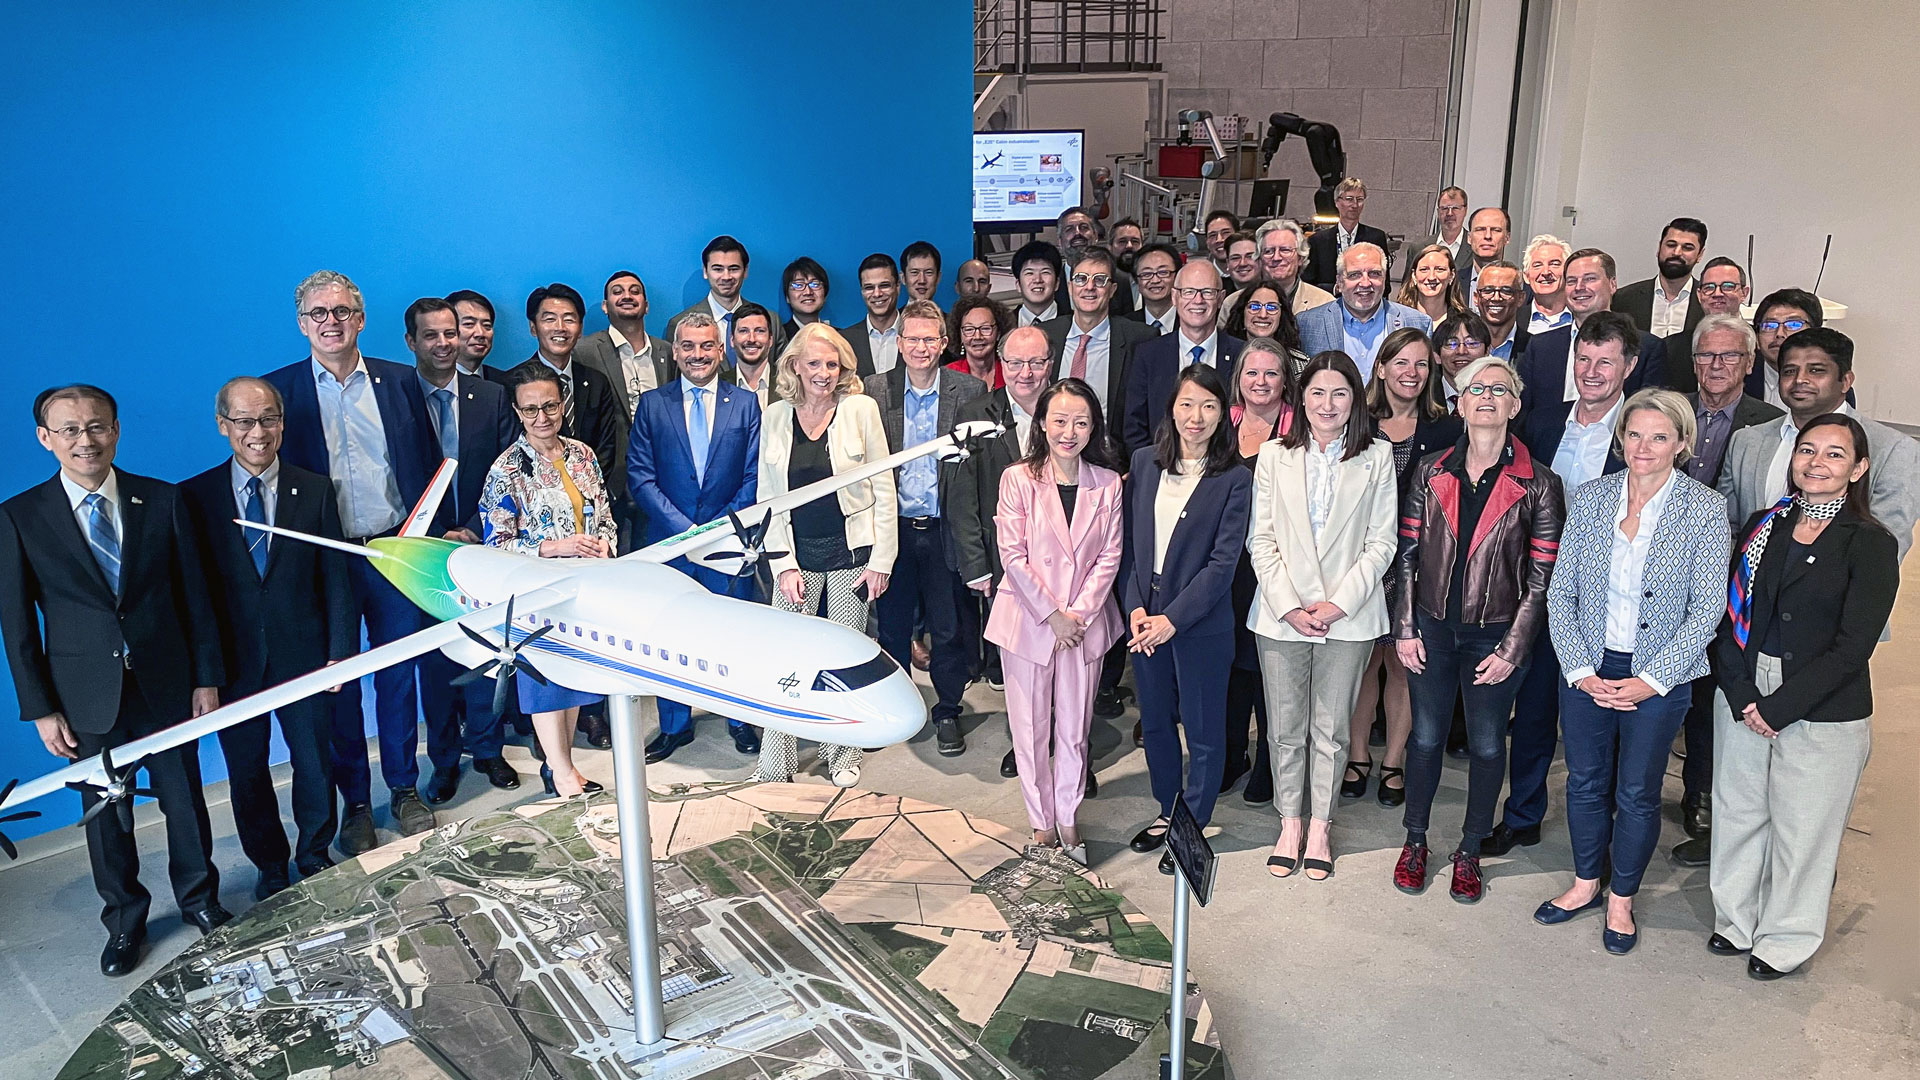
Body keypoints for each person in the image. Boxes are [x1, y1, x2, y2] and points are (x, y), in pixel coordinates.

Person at [0, 385, 230, 976]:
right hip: (84, 697)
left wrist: (206, 677)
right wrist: (40, 708)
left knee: (185, 800)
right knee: (106, 817)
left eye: (97, 426)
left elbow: (196, 596)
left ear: (116, 429)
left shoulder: (163, 499)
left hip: (167, 684)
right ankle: (126, 922)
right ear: (45, 439)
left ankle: (200, 901)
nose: (86, 440)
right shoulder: (20, 516)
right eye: (70, 430)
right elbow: (17, 623)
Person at [1535, 389, 1729, 955]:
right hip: (1589, 668)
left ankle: (1621, 898)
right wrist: (1579, 669)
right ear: (1621, 438)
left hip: (1660, 676)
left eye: (1659, 437)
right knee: (1584, 782)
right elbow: (1562, 593)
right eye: (1635, 434)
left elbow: (1707, 609)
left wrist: (1652, 681)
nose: (1644, 447)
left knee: (1639, 792)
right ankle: (1584, 883)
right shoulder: (1593, 498)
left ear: (1682, 443)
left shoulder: (1704, 508)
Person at [1710, 413, 1897, 980]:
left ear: (1858, 469)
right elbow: (1729, 614)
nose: (1816, 463)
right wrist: (1742, 690)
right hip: (1746, 688)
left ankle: (1785, 938)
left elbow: (1853, 647)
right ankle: (1735, 920)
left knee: (1802, 828)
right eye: (1807, 450)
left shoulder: (1870, 543)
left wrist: (1778, 709)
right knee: (1739, 812)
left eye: (1835, 454)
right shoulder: (1764, 526)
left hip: (1821, 703)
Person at [264, 270, 443, 851]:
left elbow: (426, 461)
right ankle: (357, 803)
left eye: (341, 311)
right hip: (326, 561)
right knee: (338, 682)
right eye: (318, 313)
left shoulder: (400, 381)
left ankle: (404, 789)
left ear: (360, 320)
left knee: (398, 676)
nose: (331, 322)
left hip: (393, 552)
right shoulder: (280, 393)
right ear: (302, 324)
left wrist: (426, 537)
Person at [1391, 356, 1564, 902]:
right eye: (1475, 389)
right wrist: (1405, 627)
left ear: (1515, 405)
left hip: (1496, 636)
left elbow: (1542, 578)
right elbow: (1407, 554)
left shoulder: (1541, 483)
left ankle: (1469, 849)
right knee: (1425, 737)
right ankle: (1415, 841)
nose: (1487, 396)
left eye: (1499, 389)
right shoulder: (1430, 470)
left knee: (1488, 745)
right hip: (1431, 628)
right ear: (1460, 404)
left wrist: (1514, 648)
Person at [182, 377, 357, 899]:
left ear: (282, 423)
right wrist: (205, 676)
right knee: (247, 770)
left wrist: (341, 654)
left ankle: (314, 852)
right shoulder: (194, 497)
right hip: (232, 665)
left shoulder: (315, 488)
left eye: (269, 419)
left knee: (314, 760)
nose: (257, 432)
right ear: (223, 426)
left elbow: (336, 577)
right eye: (244, 421)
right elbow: (193, 594)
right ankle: (271, 865)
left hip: (305, 655)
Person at [1247, 352, 1399, 880]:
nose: (1327, 404)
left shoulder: (1377, 456)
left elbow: (1382, 543)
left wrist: (1338, 604)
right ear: (1301, 397)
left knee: (1332, 731)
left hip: (1348, 616)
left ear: (1355, 399)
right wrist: (1290, 606)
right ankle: (1289, 822)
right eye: (1317, 392)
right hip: (1280, 615)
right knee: (1285, 727)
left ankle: (1320, 826)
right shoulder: (1274, 456)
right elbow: (1261, 540)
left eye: (1339, 393)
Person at [1493, 312, 1639, 857]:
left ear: (1629, 366)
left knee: (1599, 720)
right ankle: (1523, 814)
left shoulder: (1638, 432)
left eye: (1606, 361)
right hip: (1537, 591)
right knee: (1532, 713)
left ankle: (1603, 832)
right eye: (1584, 359)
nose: (1592, 371)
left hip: (1605, 598)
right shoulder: (1542, 422)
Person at [986, 377, 1125, 866]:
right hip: (1029, 622)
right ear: (1042, 423)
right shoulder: (1017, 478)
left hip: (1083, 626)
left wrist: (1077, 616)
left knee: (1074, 730)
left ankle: (1068, 817)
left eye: (1081, 422)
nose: (1069, 432)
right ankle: (1041, 825)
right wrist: (1052, 615)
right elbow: (1012, 554)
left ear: (1093, 428)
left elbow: (1110, 556)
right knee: (1029, 730)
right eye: (1060, 420)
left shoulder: (1107, 483)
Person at [1666, 313, 1787, 868]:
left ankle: (1700, 794)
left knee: (1711, 689)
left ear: (1749, 362)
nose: (1716, 365)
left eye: (1729, 356)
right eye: (1706, 355)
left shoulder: (1771, 425)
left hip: (1732, 577)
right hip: (1661, 570)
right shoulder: (1671, 411)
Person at [1123, 365, 1251, 874]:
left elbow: (1223, 565)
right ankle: (1166, 808)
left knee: (1202, 729)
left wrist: (1171, 620)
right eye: (1187, 404)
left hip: (1199, 621)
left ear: (1223, 415)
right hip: (1145, 614)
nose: (1196, 417)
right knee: (1155, 721)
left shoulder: (1234, 478)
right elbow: (1130, 548)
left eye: (1209, 406)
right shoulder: (1144, 463)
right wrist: (1136, 608)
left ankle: (1192, 824)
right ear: (1171, 409)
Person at [755, 324, 896, 787]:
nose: (823, 372)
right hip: (796, 556)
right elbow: (767, 496)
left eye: (832, 364)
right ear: (795, 365)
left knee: (843, 659)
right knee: (785, 660)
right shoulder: (776, 415)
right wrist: (782, 564)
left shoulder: (860, 408)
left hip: (852, 554)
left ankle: (842, 754)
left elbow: (883, 487)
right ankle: (776, 763)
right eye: (814, 363)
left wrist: (881, 561)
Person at [628, 312, 764, 761]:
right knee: (670, 638)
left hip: (729, 545)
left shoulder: (745, 404)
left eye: (707, 345)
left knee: (734, 634)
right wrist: (687, 532)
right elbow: (640, 478)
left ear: (721, 350)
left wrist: (717, 529)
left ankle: (739, 719)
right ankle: (674, 726)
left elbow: (753, 476)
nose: (698, 355)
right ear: (675, 351)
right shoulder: (653, 404)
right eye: (688, 346)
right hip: (670, 546)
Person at [479, 365, 619, 796]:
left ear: (563, 405)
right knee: (543, 683)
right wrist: (553, 548)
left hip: (583, 588)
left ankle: (563, 766)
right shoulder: (506, 468)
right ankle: (560, 773)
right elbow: (495, 544)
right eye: (531, 409)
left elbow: (606, 516)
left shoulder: (583, 455)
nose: (542, 417)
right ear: (517, 412)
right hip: (535, 594)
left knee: (572, 679)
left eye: (550, 406)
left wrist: (605, 544)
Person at [405, 297, 522, 800]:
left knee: (486, 651)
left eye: (450, 333)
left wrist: (474, 527)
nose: (443, 343)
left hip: (482, 546)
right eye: (431, 335)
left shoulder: (491, 396)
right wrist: (434, 534)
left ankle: (489, 749)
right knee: (435, 664)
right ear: (411, 342)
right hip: (423, 550)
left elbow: (508, 469)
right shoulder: (397, 398)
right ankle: (445, 761)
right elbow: (392, 474)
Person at [866, 300, 988, 755]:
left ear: (944, 343)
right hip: (892, 529)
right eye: (912, 339)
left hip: (944, 528)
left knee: (949, 626)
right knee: (892, 627)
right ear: (898, 344)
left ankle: (948, 710)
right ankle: (896, 710)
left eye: (929, 339)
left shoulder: (969, 390)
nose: (921, 347)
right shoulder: (874, 390)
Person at [1345, 329, 1461, 807]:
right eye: (1400, 362)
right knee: (1361, 663)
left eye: (1420, 364)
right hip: (1358, 560)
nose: (1410, 373)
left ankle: (1393, 761)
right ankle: (1357, 756)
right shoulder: (1356, 421)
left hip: (1416, 564)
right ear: (1380, 367)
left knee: (1401, 664)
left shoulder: (1446, 429)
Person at [1719, 328, 1920, 563]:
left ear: (1846, 381)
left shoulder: (1892, 449)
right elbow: (1725, 529)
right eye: (1789, 371)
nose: (1800, 380)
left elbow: (1884, 549)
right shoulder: (1746, 441)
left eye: (1816, 370)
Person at [952, 326, 1056, 774]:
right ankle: (1027, 746)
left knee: (1065, 662)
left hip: (1063, 562)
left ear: (1050, 364)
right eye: (1015, 363)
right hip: (1004, 563)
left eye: (1035, 363)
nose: (1025, 373)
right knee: (1019, 663)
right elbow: (961, 495)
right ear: (1001, 364)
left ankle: (1070, 747)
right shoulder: (974, 414)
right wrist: (975, 564)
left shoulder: (1068, 407)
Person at [1223, 339, 1295, 805]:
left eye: (1272, 373)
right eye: (1252, 372)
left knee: (1269, 669)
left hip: (1274, 564)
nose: (1261, 381)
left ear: (1285, 381)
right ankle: (1233, 755)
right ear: (1239, 379)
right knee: (1230, 666)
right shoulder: (1221, 423)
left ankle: (1270, 762)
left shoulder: (1299, 428)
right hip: (1225, 565)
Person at [509, 283, 625, 510]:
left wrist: (584, 493)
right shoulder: (512, 385)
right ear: (533, 328)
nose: (560, 328)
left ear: (580, 330)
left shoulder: (597, 381)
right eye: (549, 319)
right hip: (535, 506)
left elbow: (606, 448)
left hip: (591, 503)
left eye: (569, 319)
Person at [1517, 248, 1665, 411]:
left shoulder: (1647, 348)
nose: (1579, 287)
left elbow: (1650, 412)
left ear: (1612, 284)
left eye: (1589, 279)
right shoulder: (1540, 346)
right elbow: (1523, 411)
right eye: (1571, 281)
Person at [1124, 260, 1245, 455]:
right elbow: (1134, 426)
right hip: (1162, 465)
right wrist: (1157, 466)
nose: (1198, 300)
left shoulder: (1242, 354)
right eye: (1189, 292)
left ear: (1221, 298)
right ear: (1174, 297)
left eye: (1207, 292)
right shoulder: (1148, 354)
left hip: (1227, 464)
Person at [1041, 246, 1156, 442]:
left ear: (1112, 290)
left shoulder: (1140, 339)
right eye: (1081, 279)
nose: (1089, 287)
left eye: (1100, 280)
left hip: (1113, 454)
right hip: (1053, 452)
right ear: (1070, 287)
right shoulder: (1046, 335)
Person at [576, 271, 675, 464]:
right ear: (605, 306)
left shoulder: (667, 351)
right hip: (611, 467)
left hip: (662, 461)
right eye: (617, 292)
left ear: (646, 306)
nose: (627, 296)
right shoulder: (584, 352)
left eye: (635, 291)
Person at [1296, 243, 1433, 377]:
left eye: (1374, 273)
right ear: (1339, 282)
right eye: (1355, 275)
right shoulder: (1306, 324)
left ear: (1385, 278)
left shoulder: (1417, 324)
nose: (1365, 283)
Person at [1657, 258, 1748, 392]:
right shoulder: (1670, 348)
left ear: (1744, 293)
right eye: (1709, 287)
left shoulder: (1759, 344)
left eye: (1728, 286)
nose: (1717, 294)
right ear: (1699, 295)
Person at [1613, 217, 1708, 339]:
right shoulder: (1622, 299)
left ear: (1700, 255)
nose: (1677, 252)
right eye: (1671, 245)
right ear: (1659, 248)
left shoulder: (1708, 301)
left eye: (1687, 248)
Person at [672, 235, 750, 364]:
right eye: (718, 269)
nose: (726, 277)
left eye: (733, 269)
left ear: (745, 271)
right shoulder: (679, 324)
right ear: (705, 271)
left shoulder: (770, 321)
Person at [1304, 178, 1390, 288]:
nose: (1355, 205)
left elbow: (1384, 283)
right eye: (1349, 199)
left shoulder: (1376, 238)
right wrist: (1336, 289)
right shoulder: (1318, 240)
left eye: (1359, 199)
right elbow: (1308, 284)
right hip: (1328, 297)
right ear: (1337, 202)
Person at [1746, 288, 1823, 408]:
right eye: (1769, 326)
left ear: (1815, 334)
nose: (1779, 333)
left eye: (1793, 324)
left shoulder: (1833, 385)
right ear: (1757, 338)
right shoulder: (1740, 379)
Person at [1221, 278, 1307, 371]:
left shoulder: (1299, 364)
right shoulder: (1221, 357)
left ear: (1282, 315)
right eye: (1254, 306)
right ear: (1242, 312)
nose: (1263, 315)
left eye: (1272, 307)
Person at [840, 253, 903, 377]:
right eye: (869, 288)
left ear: (898, 287)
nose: (877, 294)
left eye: (884, 286)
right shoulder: (844, 341)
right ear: (862, 291)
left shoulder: (917, 338)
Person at [1253, 219, 1335, 314]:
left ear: (1300, 258)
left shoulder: (1325, 303)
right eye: (1268, 251)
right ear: (1259, 259)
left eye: (1285, 250)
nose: (1276, 257)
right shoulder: (1239, 301)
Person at [1400, 186, 1470, 284]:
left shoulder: (1475, 247)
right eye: (1444, 208)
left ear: (1465, 210)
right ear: (1438, 212)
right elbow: (1407, 287)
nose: (1450, 213)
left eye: (1455, 208)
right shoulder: (1418, 248)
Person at [1432, 310, 1492, 410]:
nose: (1461, 351)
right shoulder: (1423, 398)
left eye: (1471, 343)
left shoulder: (1499, 397)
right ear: (1437, 355)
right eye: (1451, 344)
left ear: (1487, 352)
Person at [1394, 244, 1468, 324]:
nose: (1431, 277)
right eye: (1424, 269)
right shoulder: (1396, 319)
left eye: (1439, 269)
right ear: (1414, 276)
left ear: (1451, 275)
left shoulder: (1466, 322)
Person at [947, 295, 1008, 389]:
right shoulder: (947, 376)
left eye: (985, 328)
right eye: (969, 329)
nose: (977, 336)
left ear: (998, 333)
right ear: (960, 335)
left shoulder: (1010, 371)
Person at [446, 289, 508, 382]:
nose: (480, 333)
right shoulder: (428, 382)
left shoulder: (505, 383)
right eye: (469, 324)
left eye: (487, 325)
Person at [1472, 261, 1529, 360]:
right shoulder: (1460, 348)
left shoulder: (1534, 347)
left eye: (1506, 291)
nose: (1496, 298)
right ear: (1476, 297)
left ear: (1521, 298)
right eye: (1488, 290)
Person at [1122, 242, 1181, 336]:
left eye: (1163, 272)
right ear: (1136, 281)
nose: (1155, 280)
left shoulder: (1192, 321)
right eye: (1147, 274)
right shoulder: (1124, 326)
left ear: (1177, 276)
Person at [728, 301, 779, 407]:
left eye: (759, 331)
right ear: (732, 340)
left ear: (770, 340)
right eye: (744, 331)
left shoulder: (790, 383)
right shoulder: (719, 385)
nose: (752, 339)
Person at [1522, 235, 1573, 336]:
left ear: (1569, 272)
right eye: (1537, 265)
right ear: (1526, 276)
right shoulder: (1513, 320)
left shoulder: (1584, 319)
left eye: (1554, 264)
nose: (1545, 272)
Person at [1460, 207, 1511, 300]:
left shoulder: (1521, 286)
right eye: (1480, 229)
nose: (1487, 236)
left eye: (1496, 230)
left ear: (1507, 237)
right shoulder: (1452, 283)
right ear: (1469, 238)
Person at [1012, 240, 1065, 326]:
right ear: (1018, 285)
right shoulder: (1002, 325)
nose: (1037, 280)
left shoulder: (1075, 322)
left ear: (1057, 283)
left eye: (1045, 272)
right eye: (1029, 273)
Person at [781, 256, 831, 338]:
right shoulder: (779, 337)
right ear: (787, 297)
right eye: (798, 285)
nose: (808, 292)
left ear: (825, 294)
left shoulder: (838, 337)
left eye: (815, 284)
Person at [1202, 209, 1241, 274]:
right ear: (1207, 242)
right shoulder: (1201, 275)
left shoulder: (1255, 273)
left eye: (1225, 233)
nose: (1219, 240)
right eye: (1213, 235)